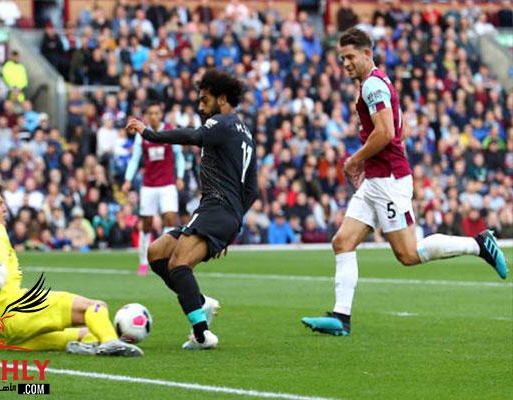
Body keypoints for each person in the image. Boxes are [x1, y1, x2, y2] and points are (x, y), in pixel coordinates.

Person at [302, 28, 509, 337]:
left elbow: (385, 133)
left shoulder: (372, 85)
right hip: (376, 179)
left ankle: (479, 244)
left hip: (388, 180)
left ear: (367, 54)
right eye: (341, 58)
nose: (344, 63)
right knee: (342, 241)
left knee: (408, 254)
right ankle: (341, 317)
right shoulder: (373, 83)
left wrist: (355, 158)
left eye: (349, 57)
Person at [126, 68, 258, 350]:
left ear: (222, 99)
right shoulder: (245, 133)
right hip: (220, 211)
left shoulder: (221, 122)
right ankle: (200, 304)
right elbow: (252, 190)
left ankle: (202, 334)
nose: (199, 106)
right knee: (157, 252)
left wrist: (149, 133)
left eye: (204, 99)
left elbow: (191, 135)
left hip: (217, 208)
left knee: (178, 265)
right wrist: (233, 224)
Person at [0, 183, 143, 356]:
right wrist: (0, 267)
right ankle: (111, 341)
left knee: (87, 332)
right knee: (95, 307)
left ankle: (88, 343)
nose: (4, 209)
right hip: (15, 310)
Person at [122, 101, 185, 276]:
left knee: (171, 219)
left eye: (157, 113)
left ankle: (165, 257)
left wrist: (180, 176)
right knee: (147, 224)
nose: (154, 116)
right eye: (151, 113)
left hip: (167, 184)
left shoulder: (170, 130)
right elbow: (135, 159)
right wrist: (128, 179)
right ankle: (143, 261)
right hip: (149, 185)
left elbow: (179, 156)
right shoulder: (142, 133)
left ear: (161, 114)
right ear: (147, 115)